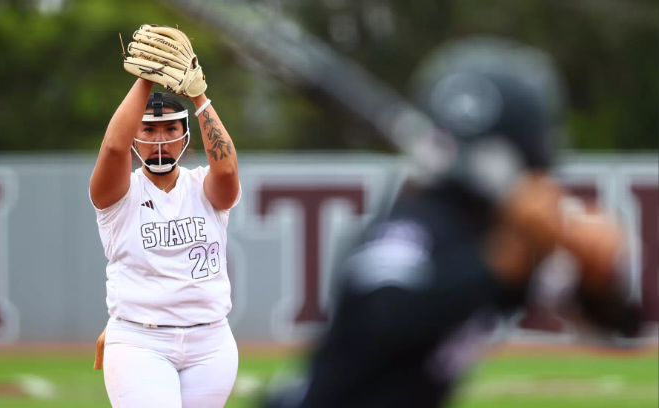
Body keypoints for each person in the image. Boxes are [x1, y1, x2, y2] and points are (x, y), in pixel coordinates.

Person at [263, 38, 641, 408]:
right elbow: (382, 314)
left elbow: (623, 324)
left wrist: (602, 277)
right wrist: (498, 265)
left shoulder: (508, 237)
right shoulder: (413, 224)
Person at [89, 24, 240, 408]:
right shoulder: (120, 193)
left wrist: (199, 94)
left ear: (185, 136)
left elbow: (227, 173)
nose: (160, 139)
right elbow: (110, 150)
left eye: (170, 129)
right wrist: (146, 79)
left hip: (211, 342)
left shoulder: (203, 186)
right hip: (141, 340)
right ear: (135, 138)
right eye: (149, 131)